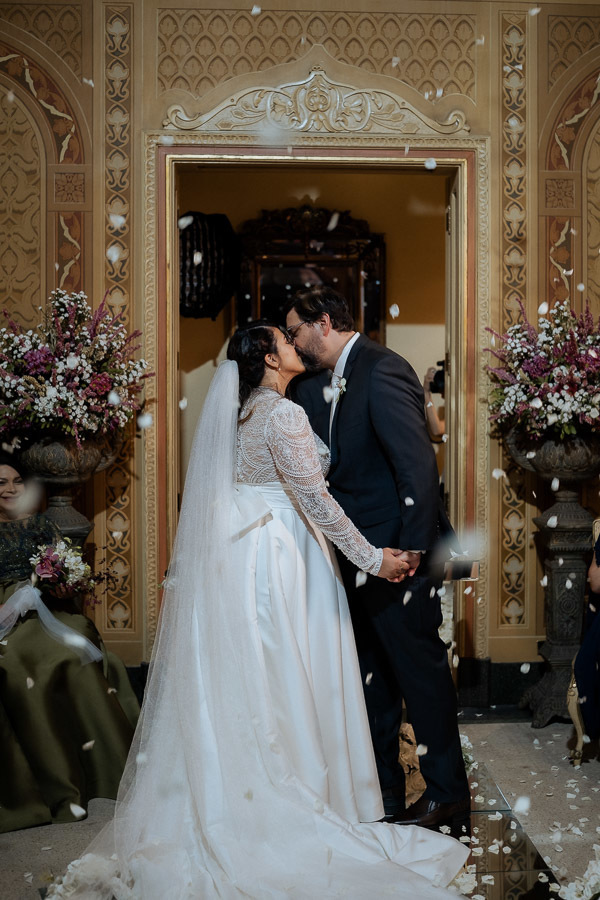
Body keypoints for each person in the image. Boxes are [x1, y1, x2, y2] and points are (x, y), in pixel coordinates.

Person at [47, 323, 468, 899]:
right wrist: (373, 558)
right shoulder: (283, 415)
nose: (296, 344)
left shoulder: (241, 417)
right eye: (285, 340)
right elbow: (315, 500)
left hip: (246, 559)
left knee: (261, 679)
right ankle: (301, 790)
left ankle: (240, 787)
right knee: (292, 669)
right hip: (285, 556)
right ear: (271, 359)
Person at [286, 287, 470, 831]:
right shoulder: (324, 381)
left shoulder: (382, 368)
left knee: (421, 676)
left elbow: (417, 470)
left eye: (296, 330)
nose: (294, 342)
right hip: (360, 561)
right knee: (374, 681)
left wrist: (411, 555)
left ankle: (446, 793)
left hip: (397, 557)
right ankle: (387, 792)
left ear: (323, 322)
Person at [0, 453, 139, 833]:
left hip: (50, 610)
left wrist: (64, 583)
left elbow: (72, 575)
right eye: (1, 483)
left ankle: (108, 773)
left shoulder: (44, 526)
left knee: (73, 650)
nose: (11, 489)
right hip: (4, 621)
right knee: (15, 666)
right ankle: (51, 788)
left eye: (16, 482)